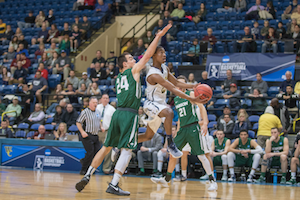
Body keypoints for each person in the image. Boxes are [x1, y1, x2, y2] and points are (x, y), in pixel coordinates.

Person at [75, 25, 172, 195]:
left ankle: (88, 174)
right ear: (125, 64)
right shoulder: (133, 71)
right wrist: (158, 36)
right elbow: (148, 54)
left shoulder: (118, 77)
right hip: (129, 114)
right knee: (128, 150)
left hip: (118, 113)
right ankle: (113, 183)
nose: (134, 59)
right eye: (131, 58)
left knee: (105, 147)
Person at [150, 75, 217, 190]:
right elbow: (181, 117)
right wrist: (178, 131)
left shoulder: (191, 95)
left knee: (201, 155)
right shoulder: (176, 99)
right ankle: (166, 179)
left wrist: (205, 123)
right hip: (182, 130)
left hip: (193, 128)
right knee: (172, 154)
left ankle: (212, 181)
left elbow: (201, 107)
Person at [96, 94, 116, 174]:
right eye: (103, 98)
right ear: (101, 99)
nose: (105, 99)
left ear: (108, 100)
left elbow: (114, 122)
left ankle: (106, 168)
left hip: (107, 131)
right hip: (97, 131)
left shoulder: (112, 109)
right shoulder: (97, 107)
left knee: (107, 150)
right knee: (96, 149)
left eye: (107, 98)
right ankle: (95, 166)